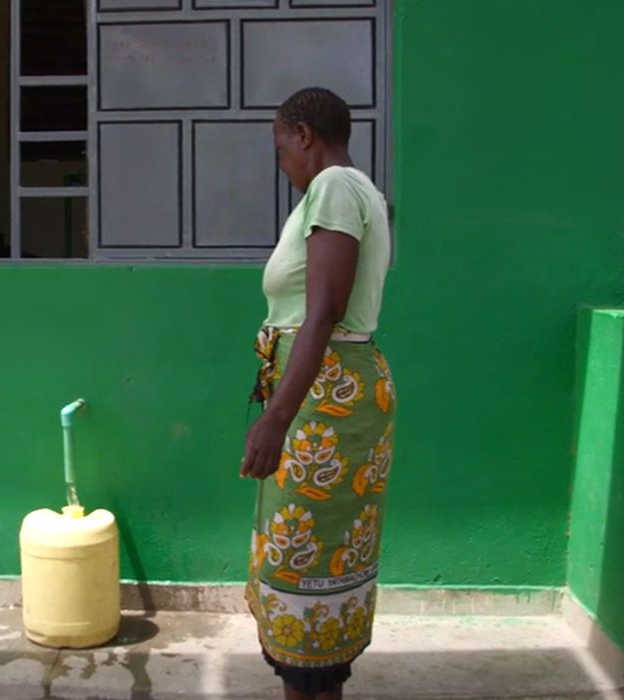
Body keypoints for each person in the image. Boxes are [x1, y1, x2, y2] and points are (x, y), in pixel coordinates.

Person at [241, 87, 395, 700]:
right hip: (329, 394)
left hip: (322, 403)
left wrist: (276, 418)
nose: (282, 164)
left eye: (281, 149)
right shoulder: (363, 192)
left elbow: (324, 309)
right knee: (313, 574)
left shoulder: (333, 187)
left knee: (305, 575)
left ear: (304, 134)